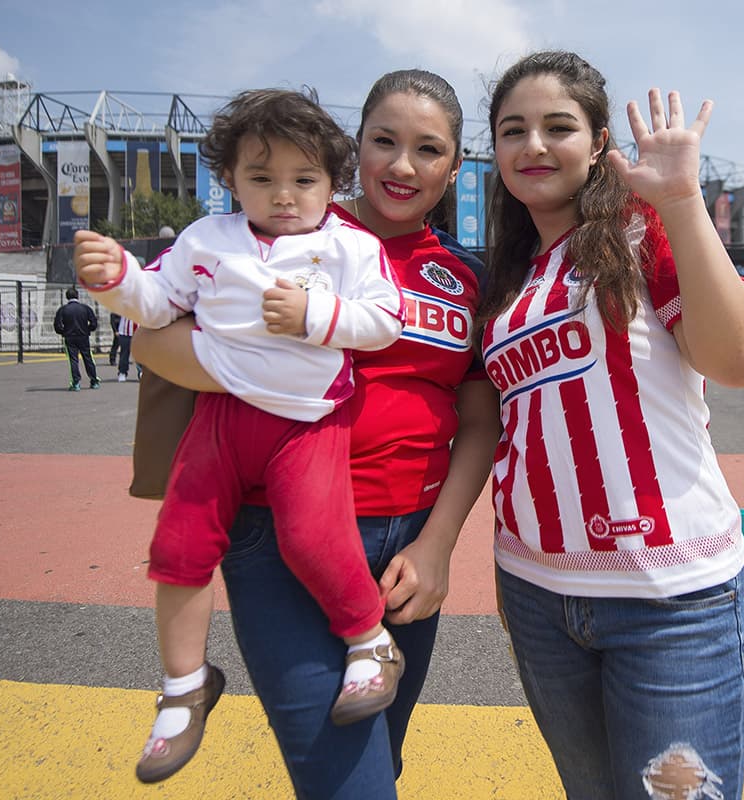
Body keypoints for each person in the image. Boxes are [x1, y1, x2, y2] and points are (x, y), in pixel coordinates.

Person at [131, 69, 499, 799]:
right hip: (276, 534)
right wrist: (256, 367)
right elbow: (151, 342)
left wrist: (438, 543)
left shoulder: (466, 276)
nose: (402, 165)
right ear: (351, 148)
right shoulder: (286, 226)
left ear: (456, 168)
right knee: (346, 780)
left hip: (406, 549)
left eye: (428, 150)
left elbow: (479, 419)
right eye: (383, 141)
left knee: (379, 761)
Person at [72, 88, 408, 784]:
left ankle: (369, 641)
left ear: (333, 182)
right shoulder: (205, 240)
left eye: (304, 179)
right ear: (230, 179)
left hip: (309, 418)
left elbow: (383, 323)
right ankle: (183, 685)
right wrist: (116, 280)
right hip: (221, 421)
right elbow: (158, 303)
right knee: (178, 545)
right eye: (261, 178)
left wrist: (316, 314)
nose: (284, 195)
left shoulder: (350, 246)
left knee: (314, 539)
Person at [477, 51, 744, 800]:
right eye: (513, 130)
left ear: (600, 141)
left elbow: (736, 360)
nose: (533, 145)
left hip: (673, 602)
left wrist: (682, 200)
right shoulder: (505, 279)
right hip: (539, 598)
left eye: (557, 126)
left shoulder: (642, 234)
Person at [52, 286, 100, 391]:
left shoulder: (63, 309)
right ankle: (94, 380)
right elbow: (94, 323)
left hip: (69, 337)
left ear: (67, 297)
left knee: (73, 360)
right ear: (77, 296)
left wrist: (63, 332)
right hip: (83, 336)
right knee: (88, 358)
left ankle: (76, 382)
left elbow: (57, 325)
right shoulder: (85, 308)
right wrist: (87, 329)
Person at [114, 313, 140, 381]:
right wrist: (115, 329)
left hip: (140, 332)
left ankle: (141, 371)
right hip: (125, 332)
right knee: (124, 354)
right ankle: (122, 372)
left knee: (141, 355)